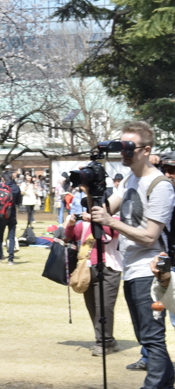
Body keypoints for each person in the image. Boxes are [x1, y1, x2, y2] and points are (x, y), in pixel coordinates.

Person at [89, 121, 175, 389]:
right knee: (144, 335)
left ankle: (155, 385)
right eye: (120, 147)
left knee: (151, 336)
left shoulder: (160, 186)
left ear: (146, 150)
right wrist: (88, 187)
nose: (123, 153)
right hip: (131, 267)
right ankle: (166, 380)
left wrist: (109, 221)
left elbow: (150, 235)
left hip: (151, 269)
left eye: (129, 147)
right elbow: (106, 208)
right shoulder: (129, 180)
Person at [65, 207, 122, 356]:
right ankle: (106, 339)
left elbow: (114, 233)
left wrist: (95, 220)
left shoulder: (116, 221)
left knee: (104, 307)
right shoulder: (85, 224)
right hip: (87, 269)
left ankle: (104, 342)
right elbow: (71, 236)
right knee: (93, 307)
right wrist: (71, 224)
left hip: (109, 268)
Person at [0, 171, 21, 265]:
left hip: (0, 214)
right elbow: (19, 202)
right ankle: (11, 259)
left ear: (3, 178)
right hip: (11, 214)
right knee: (11, 237)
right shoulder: (16, 188)